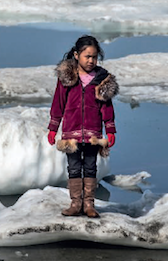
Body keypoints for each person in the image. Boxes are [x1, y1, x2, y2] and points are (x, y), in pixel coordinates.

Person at [47, 35, 118, 218]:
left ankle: (89, 204)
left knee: (90, 166)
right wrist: (53, 127)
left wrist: (110, 129)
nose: (91, 60)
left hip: (93, 132)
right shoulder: (67, 77)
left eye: (94, 57)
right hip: (71, 132)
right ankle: (75, 203)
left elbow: (107, 107)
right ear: (77, 55)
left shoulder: (102, 79)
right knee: (73, 167)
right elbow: (58, 103)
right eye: (87, 56)